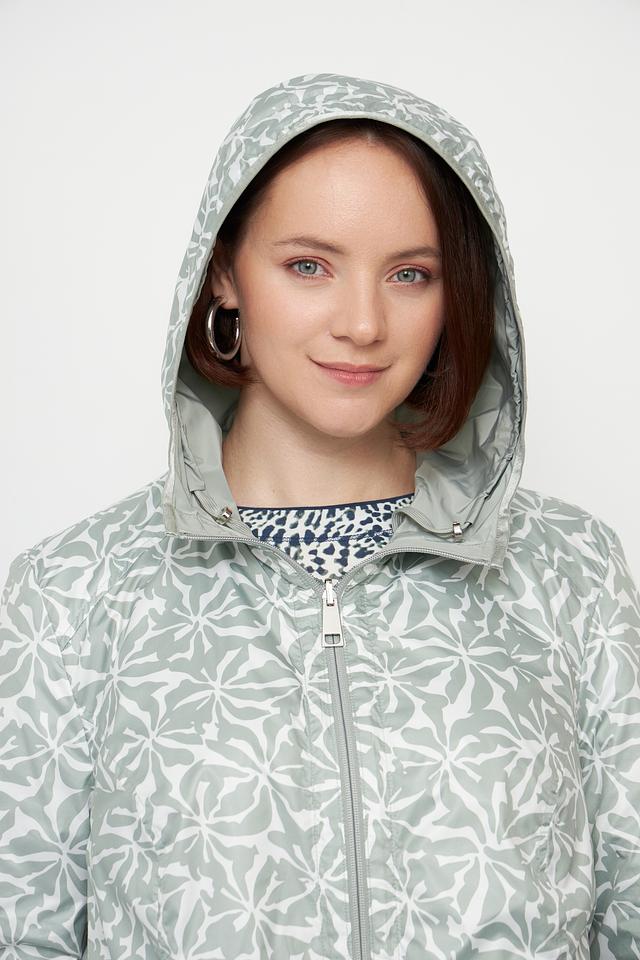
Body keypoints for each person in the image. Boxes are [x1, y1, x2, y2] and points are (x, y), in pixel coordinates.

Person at [0, 71, 638, 960]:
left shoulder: (569, 568)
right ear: (224, 273)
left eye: (411, 274)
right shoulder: (71, 593)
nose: (364, 323)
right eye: (310, 265)